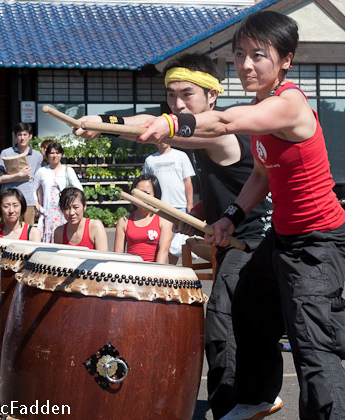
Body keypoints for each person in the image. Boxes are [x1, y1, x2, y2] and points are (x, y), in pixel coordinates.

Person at [138, 11, 345, 420]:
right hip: (283, 237)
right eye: (239, 55)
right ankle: (257, 396)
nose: (246, 65)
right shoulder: (261, 106)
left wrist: (171, 121)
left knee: (312, 344)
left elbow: (224, 121)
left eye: (259, 55)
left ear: (285, 60)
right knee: (247, 306)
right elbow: (261, 174)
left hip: (320, 242)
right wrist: (231, 216)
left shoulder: (288, 104)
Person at [73, 53, 272, 419]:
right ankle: (251, 397)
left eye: (187, 94)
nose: (177, 104)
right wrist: (197, 214)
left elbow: (154, 122)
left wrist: (105, 122)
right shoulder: (193, 129)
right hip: (233, 237)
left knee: (222, 321)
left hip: (256, 241)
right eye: (171, 95)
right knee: (245, 322)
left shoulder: (219, 132)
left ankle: (235, 406)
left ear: (212, 96)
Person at [142, 142, 195, 264]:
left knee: (174, 245)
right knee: (159, 241)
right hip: (158, 208)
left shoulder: (181, 156)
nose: (163, 141)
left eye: (166, 138)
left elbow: (187, 181)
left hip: (178, 206)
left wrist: (190, 203)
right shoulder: (150, 160)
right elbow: (146, 184)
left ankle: (172, 269)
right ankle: (159, 269)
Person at [114, 174, 173, 263]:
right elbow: (118, 256)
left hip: (154, 271)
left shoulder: (164, 221)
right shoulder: (124, 221)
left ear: (155, 195)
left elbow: (163, 251)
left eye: (146, 194)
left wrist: (156, 275)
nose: (142, 198)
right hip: (131, 272)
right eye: (138, 194)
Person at [33, 142, 83, 243]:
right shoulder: (42, 171)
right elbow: (33, 189)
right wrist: (37, 204)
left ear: (61, 154)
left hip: (64, 212)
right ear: (47, 155)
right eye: (51, 153)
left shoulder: (68, 171)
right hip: (48, 213)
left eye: (57, 153)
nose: (54, 156)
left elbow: (79, 189)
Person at [0, 123, 43, 226]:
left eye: (25, 134)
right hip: (8, 201)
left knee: (27, 233)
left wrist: (39, 202)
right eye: (19, 135)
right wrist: (19, 175)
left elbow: (38, 182)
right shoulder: (6, 153)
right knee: (7, 233)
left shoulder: (37, 156)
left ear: (30, 136)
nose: (22, 138)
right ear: (15, 136)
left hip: (28, 200)